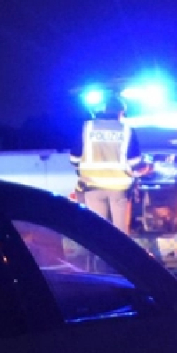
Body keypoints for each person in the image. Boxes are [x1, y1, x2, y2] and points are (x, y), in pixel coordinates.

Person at [70, 100, 149, 249]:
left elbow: (74, 159)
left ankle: (98, 266)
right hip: (118, 189)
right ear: (120, 112)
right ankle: (120, 266)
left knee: (98, 230)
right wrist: (146, 169)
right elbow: (135, 163)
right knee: (120, 233)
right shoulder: (126, 130)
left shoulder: (86, 127)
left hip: (92, 187)